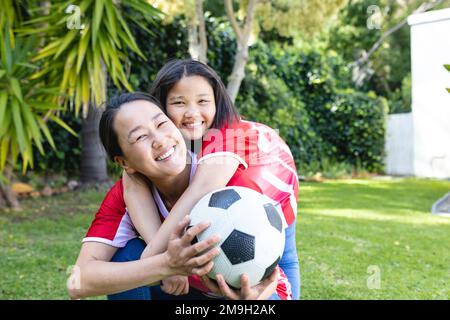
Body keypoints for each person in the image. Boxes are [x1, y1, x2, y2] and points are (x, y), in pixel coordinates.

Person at [123, 59, 300, 300]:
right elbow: (132, 185)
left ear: (217, 101)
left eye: (203, 101)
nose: (192, 113)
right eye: (178, 103)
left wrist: (157, 261)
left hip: (274, 219)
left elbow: (201, 189)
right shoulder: (164, 146)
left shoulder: (230, 134)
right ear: (161, 106)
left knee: (271, 272)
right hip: (230, 236)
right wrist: (165, 263)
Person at [76, 93, 279, 300]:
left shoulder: (225, 173)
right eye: (140, 137)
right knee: (126, 255)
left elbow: (268, 263)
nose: (159, 140)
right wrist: (165, 265)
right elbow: (79, 281)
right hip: (183, 294)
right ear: (124, 163)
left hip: (247, 295)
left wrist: (252, 294)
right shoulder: (126, 195)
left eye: (161, 123)